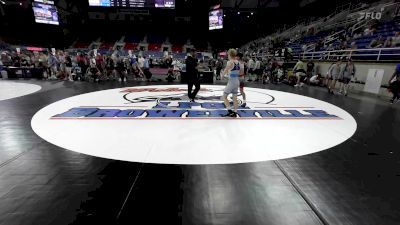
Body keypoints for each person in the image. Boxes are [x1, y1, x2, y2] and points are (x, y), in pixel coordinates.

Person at [222, 49, 241, 117]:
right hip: (236, 81)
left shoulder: (230, 62)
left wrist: (222, 75)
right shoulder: (238, 62)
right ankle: (235, 112)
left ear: (229, 55)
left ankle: (230, 111)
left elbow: (226, 70)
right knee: (234, 98)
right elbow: (237, 72)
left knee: (224, 96)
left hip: (232, 82)